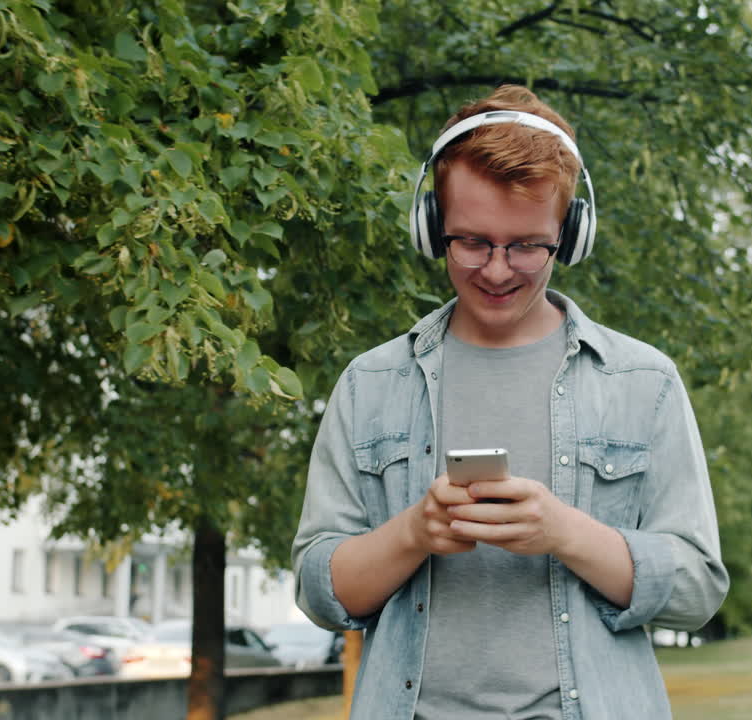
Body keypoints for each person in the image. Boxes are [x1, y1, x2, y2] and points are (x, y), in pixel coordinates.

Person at [292, 85, 728, 719]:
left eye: (527, 245)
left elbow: (697, 589)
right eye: (471, 241)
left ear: (571, 235)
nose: (497, 271)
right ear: (430, 227)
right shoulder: (369, 383)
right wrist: (415, 532)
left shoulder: (644, 382)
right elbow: (318, 590)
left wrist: (564, 532)